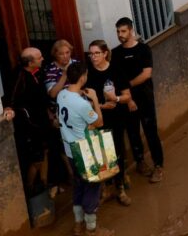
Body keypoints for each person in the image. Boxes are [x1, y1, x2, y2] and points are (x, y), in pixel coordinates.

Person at [56, 61, 112, 236]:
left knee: (79, 186)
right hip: (85, 150)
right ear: (82, 78)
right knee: (92, 187)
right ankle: (91, 229)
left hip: (70, 149)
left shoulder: (61, 95)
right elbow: (99, 122)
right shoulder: (82, 104)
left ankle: (78, 225)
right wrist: (95, 99)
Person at [112, 18, 164, 184]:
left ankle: (158, 165)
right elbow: (116, 77)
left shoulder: (143, 49)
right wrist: (127, 98)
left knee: (151, 132)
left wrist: (127, 86)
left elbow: (146, 74)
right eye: (118, 32)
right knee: (133, 133)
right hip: (127, 101)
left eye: (123, 31)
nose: (120, 35)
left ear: (131, 31)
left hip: (145, 98)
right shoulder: (117, 53)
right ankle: (140, 161)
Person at [85, 40, 132, 206]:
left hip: (117, 117)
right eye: (91, 53)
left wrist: (116, 99)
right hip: (98, 119)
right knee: (103, 155)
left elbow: (127, 96)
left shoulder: (116, 70)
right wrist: (100, 105)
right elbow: (85, 100)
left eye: (97, 53)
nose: (93, 57)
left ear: (105, 53)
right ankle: (106, 186)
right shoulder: (88, 74)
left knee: (117, 151)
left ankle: (120, 187)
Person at [7, 47, 53, 196]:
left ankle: (44, 182)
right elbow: (12, 97)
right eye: (39, 58)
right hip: (31, 125)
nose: (43, 59)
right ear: (30, 62)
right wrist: (9, 108)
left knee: (45, 151)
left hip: (42, 120)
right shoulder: (19, 75)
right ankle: (30, 188)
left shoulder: (38, 72)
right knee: (37, 159)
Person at [44, 39, 78, 194]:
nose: (65, 57)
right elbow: (52, 93)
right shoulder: (50, 70)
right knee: (65, 146)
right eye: (61, 54)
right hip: (60, 114)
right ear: (55, 55)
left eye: (67, 53)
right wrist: (64, 75)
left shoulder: (76, 64)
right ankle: (71, 174)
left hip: (78, 110)